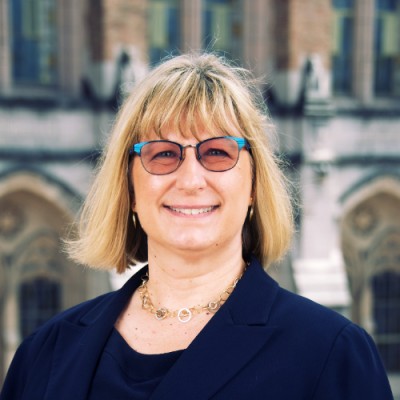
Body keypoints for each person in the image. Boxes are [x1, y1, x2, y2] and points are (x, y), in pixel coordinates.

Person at [0, 53, 393, 400]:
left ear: (254, 185)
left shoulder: (331, 354)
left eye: (218, 152)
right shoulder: (45, 353)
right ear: (130, 188)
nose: (190, 180)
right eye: (163, 154)